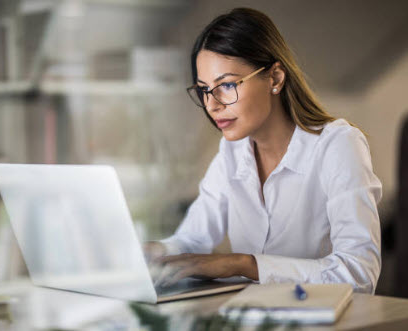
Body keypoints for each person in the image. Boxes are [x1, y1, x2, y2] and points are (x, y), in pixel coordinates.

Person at [144, 7, 382, 294]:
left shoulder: (338, 145)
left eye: (227, 85)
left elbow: (359, 273)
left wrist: (245, 264)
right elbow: (192, 241)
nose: (212, 105)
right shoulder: (232, 152)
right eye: (205, 90)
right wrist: (151, 252)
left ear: (275, 78)